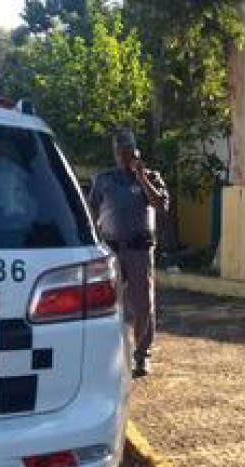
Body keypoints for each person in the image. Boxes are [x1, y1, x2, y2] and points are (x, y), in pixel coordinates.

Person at [88, 128, 169, 377]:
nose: (124, 156)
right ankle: (108, 356)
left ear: (136, 152)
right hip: (111, 250)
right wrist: (93, 241)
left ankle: (141, 356)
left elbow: (160, 205)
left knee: (143, 306)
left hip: (139, 250)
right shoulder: (104, 179)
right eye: (119, 152)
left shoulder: (151, 177)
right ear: (114, 153)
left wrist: (142, 177)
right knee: (105, 305)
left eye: (128, 151)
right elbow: (91, 210)